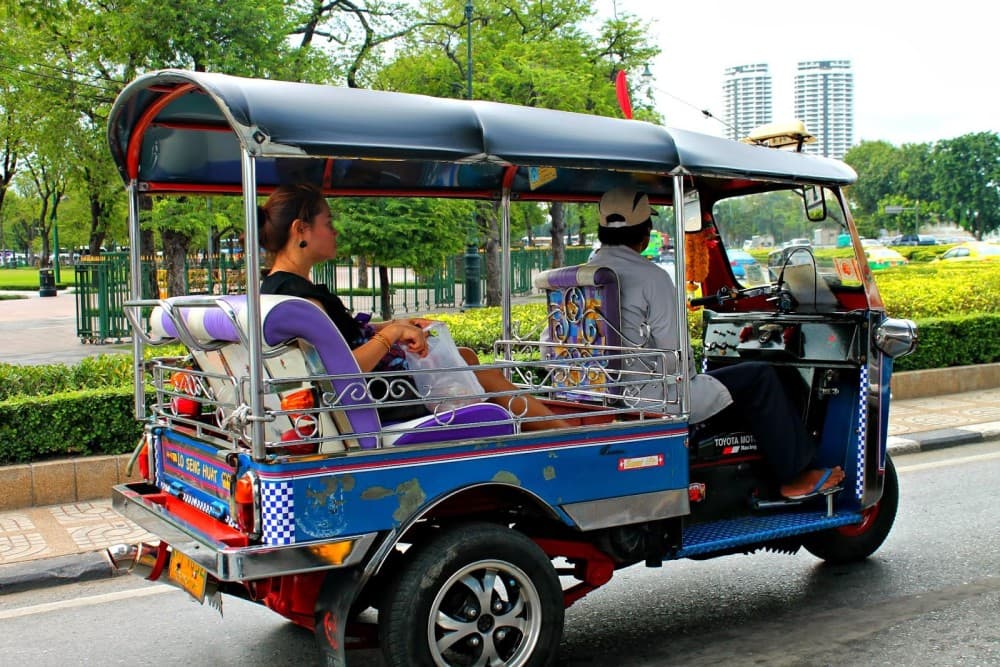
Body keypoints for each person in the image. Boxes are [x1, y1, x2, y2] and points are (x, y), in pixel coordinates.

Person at [587, 186, 844, 499]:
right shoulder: (651, 276)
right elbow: (675, 351)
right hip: (655, 399)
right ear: (645, 233)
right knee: (761, 377)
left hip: (592, 392)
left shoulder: (580, 274)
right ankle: (794, 475)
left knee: (734, 383)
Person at [258, 183, 568, 431]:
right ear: (300, 230)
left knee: (465, 358)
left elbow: (338, 340)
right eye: (327, 223)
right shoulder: (301, 299)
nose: (335, 231)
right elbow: (339, 369)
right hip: (372, 396)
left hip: (364, 391)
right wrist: (391, 334)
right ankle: (559, 435)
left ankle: (539, 430)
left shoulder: (278, 288)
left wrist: (396, 325)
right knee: (476, 371)